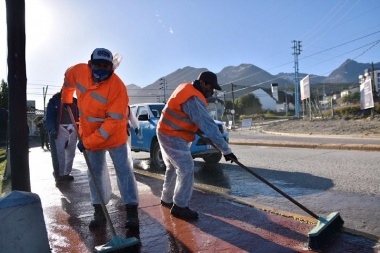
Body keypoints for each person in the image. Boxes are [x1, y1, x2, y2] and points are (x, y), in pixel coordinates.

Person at [61, 48, 139, 229]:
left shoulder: (118, 87)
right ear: (90, 64)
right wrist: (66, 98)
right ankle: (99, 211)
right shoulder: (78, 71)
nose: (102, 70)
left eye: (106, 66)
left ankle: (131, 212)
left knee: (124, 172)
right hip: (89, 132)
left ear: (112, 67)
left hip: (114, 136)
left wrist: (87, 143)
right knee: (94, 173)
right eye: (98, 65)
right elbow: (68, 81)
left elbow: (111, 124)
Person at [157, 71, 238, 220]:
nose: (212, 91)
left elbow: (189, 117)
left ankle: (166, 199)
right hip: (172, 134)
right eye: (210, 87)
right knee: (186, 167)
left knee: (173, 167)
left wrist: (196, 126)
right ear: (202, 83)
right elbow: (209, 125)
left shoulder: (186, 88)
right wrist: (226, 150)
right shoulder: (193, 97)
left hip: (168, 131)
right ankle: (180, 207)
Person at [46, 91, 79, 182]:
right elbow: (49, 116)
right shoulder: (54, 100)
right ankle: (59, 175)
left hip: (73, 129)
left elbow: (80, 115)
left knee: (71, 154)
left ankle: (66, 173)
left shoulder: (75, 101)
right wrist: (52, 129)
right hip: (60, 129)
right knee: (59, 154)